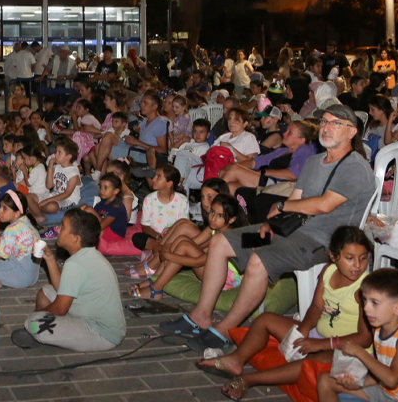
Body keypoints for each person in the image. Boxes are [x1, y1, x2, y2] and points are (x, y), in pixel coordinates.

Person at [161, 103, 377, 353]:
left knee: (258, 261)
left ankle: (226, 330)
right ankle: (201, 316)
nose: (326, 128)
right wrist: (272, 224)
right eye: (324, 122)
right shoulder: (315, 162)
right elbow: (297, 198)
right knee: (221, 241)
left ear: (352, 132)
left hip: (321, 242)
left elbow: (325, 205)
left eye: (335, 123)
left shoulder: (355, 167)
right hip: (290, 232)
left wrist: (283, 206)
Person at [198, 227, 373, 401]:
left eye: (363, 258)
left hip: (347, 349)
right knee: (265, 319)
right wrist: (304, 328)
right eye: (350, 258)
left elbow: (365, 338)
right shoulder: (328, 272)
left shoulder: (364, 288)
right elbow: (317, 307)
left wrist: (321, 344)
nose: (357, 265)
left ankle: (250, 379)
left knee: (311, 363)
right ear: (334, 256)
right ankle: (236, 360)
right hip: (319, 335)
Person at [316, 268, 398, 402]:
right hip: (385, 392)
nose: (366, 308)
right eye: (365, 300)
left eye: (374, 303)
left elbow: (392, 380)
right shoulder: (379, 329)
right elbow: (381, 374)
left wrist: (360, 352)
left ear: (397, 308)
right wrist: (359, 383)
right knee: (325, 380)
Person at [11, 208, 126, 352]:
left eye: (63, 227)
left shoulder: (75, 264)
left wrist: (40, 315)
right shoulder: (88, 254)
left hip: (101, 333)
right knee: (46, 292)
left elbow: (60, 308)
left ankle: (42, 333)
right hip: (89, 312)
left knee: (33, 323)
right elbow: (62, 289)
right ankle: (52, 333)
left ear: (75, 238)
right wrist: (51, 259)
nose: (58, 230)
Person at [130, 193, 247, 299]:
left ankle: (156, 289)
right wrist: (168, 250)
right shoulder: (214, 228)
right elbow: (193, 242)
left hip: (224, 281)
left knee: (183, 247)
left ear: (232, 220)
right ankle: (155, 280)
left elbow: (198, 262)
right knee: (182, 240)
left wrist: (169, 256)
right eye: (212, 212)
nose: (213, 218)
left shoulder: (225, 237)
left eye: (220, 216)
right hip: (213, 269)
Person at [132, 165, 188, 253]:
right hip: (156, 237)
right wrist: (158, 236)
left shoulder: (182, 201)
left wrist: (168, 234)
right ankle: (165, 249)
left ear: (169, 184)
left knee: (184, 241)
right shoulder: (149, 199)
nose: (153, 179)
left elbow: (184, 226)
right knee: (138, 238)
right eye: (155, 176)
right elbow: (145, 226)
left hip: (174, 237)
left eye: (159, 177)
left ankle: (160, 249)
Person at [126, 92, 170, 172]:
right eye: (141, 102)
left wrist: (138, 142)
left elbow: (163, 150)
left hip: (145, 156)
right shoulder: (145, 121)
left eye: (145, 103)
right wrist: (132, 142)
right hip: (136, 151)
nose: (142, 105)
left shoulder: (160, 123)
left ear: (155, 106)